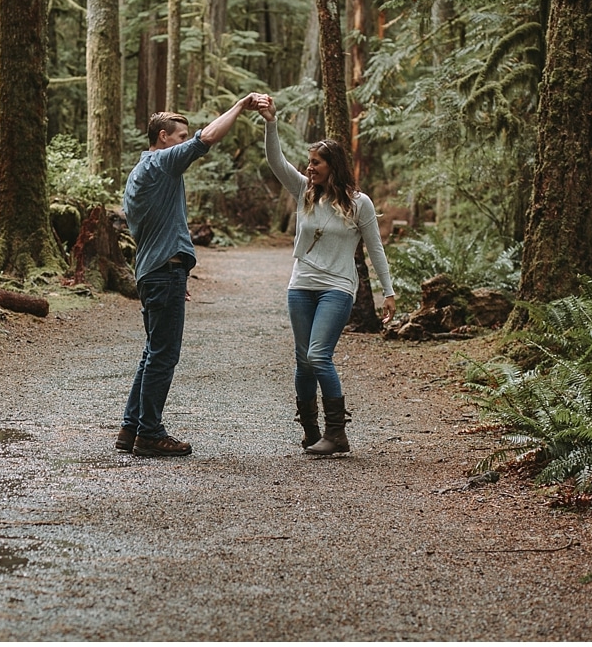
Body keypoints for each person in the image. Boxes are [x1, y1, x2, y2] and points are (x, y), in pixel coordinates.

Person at [116, 93, 263, 457]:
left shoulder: (139, 173)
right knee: (164, 355)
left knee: (153, 352)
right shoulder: (162, 164)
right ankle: (149, 433)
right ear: (163, 137)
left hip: (156, 272)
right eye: (179, 135)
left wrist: (177, 269)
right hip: (162, 272)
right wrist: (241, 106)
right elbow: (207, 139)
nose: (185, 140)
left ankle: (130, 427)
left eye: (183, 136)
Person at [254, 92, 395, 455]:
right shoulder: (304, 192)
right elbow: (275, 160)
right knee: (303, 360)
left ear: (333, 165)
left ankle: (337, 434)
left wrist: (389, 292)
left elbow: (375, 248)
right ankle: (312, 431)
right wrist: (271, 122)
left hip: (338, 286)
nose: (309, 167)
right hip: (301, 286)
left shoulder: (358, 203)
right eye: (308, 161)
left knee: (318, 355)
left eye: (316, 162)